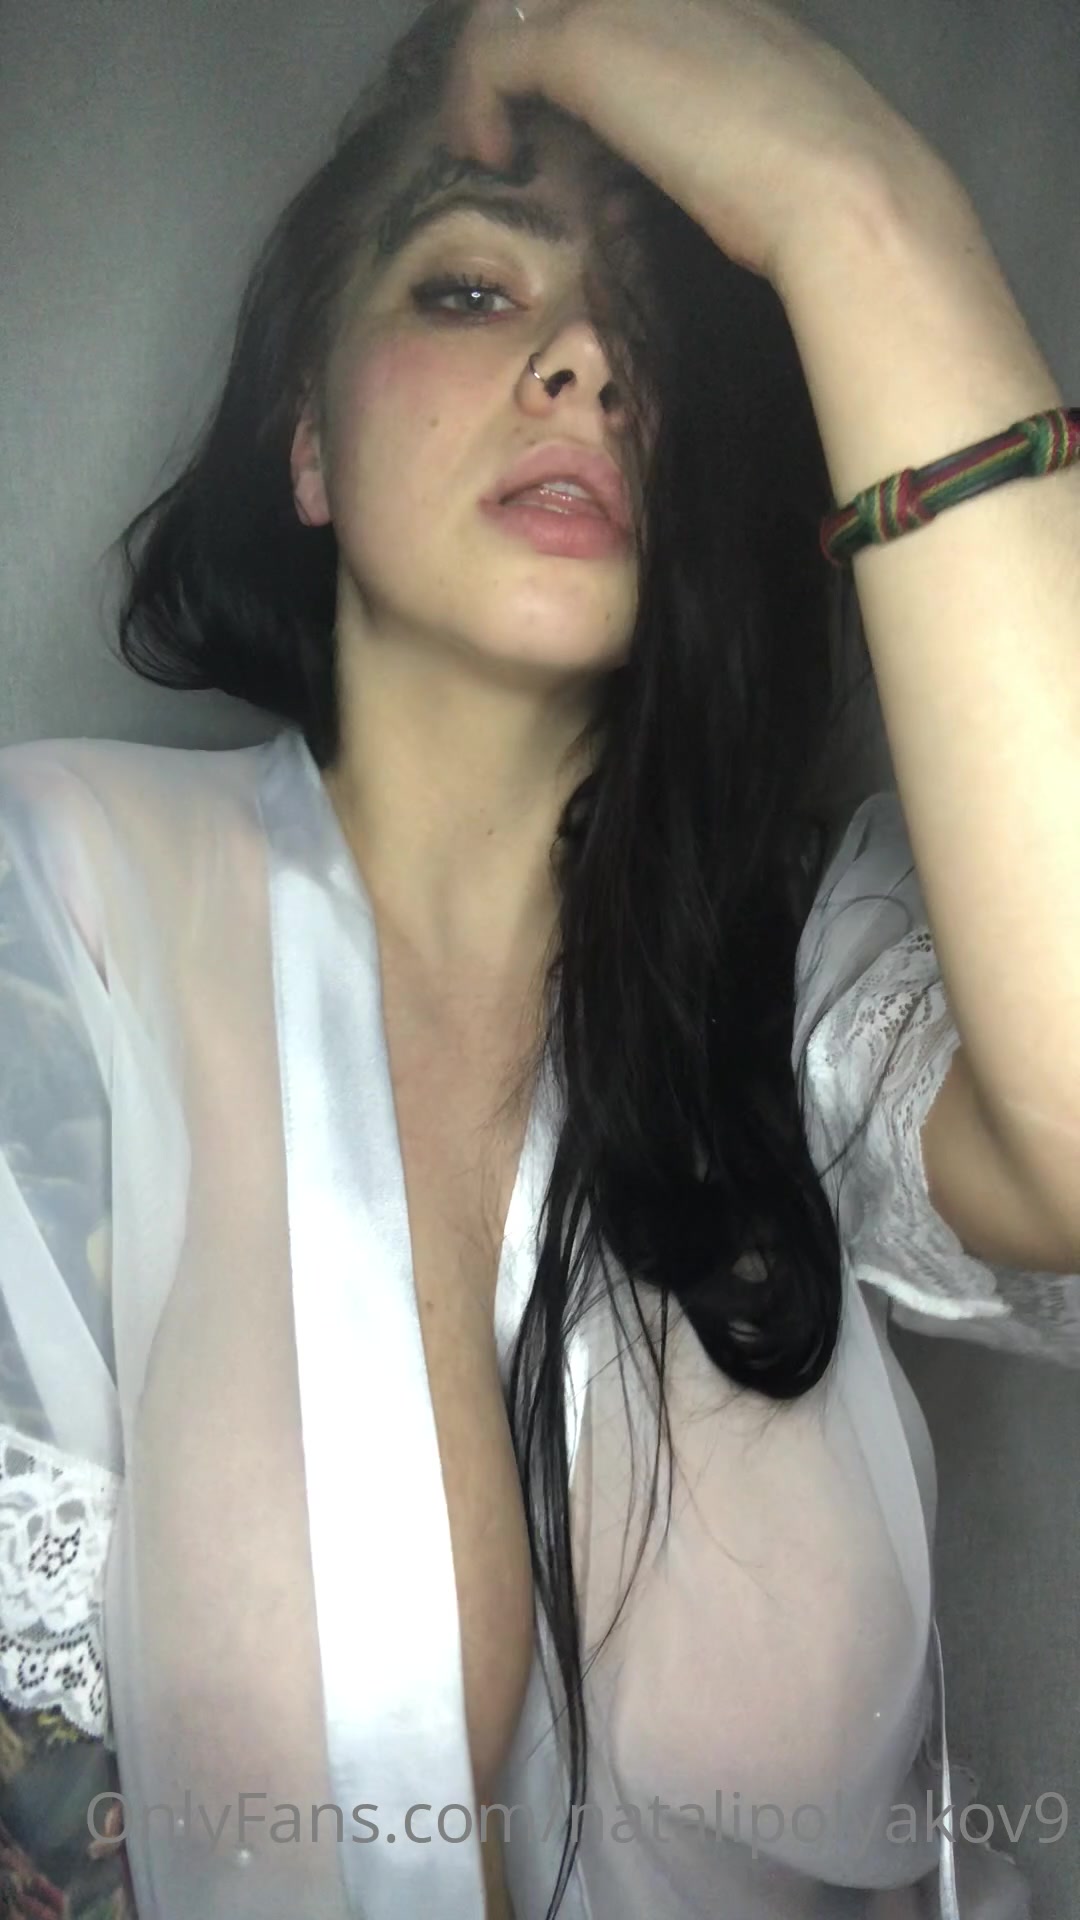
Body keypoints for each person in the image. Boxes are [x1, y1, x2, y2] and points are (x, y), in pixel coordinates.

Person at [1, 0, 1078, 1915]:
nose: (586, 360)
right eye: (472, 288)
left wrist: (854, 202)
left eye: (647, 337)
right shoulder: (57, 901)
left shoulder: (812, 989)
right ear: (309, 442)